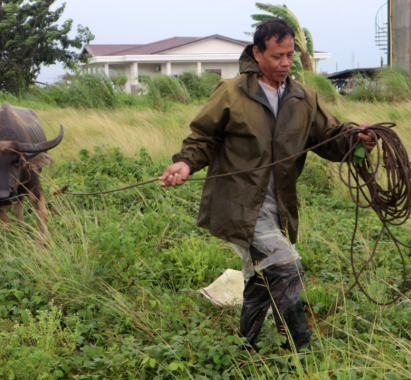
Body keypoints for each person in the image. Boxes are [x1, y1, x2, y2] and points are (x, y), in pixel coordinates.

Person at [159, 19, 376, 352]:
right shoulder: (232, 92)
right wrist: (186, 162)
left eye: (289, 55)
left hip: (281, 208)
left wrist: (358, 142)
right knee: (287, 268)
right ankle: (299, 352)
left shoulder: (303, 97)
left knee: (262, 277)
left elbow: (330, 139)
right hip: (241, 204)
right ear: (257, 53)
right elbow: (203, 137)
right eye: (277, 56)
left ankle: (244, 345)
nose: (285, 63)